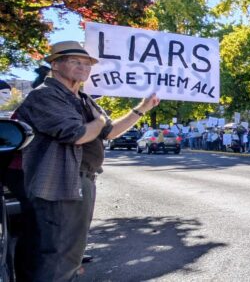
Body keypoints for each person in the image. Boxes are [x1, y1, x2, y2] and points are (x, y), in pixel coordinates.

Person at [14, 41, 160, 281]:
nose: (83, 67)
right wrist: (100, 122)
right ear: (55, 64)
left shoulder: (82, 98)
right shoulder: (45, 96)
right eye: (75, 61)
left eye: (87, 64)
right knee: (57, 253)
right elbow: (78, 134)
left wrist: (142, 108)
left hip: (81, 180)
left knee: (71, 251)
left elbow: (110, 132)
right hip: (59, 183)